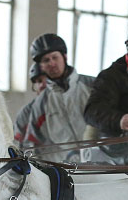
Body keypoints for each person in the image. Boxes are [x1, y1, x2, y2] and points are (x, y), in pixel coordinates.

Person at [20, 33, 95, 161]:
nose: (52, 63)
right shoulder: (41, 103)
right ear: (41, 66)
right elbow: (30, 143)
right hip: (64, 170)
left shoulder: (92, 86)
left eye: (55, 57)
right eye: (46, 60)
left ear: (64, 57)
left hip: (100, 167)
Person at [13, 62, 48, 147]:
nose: (43, 84)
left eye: (47, 80)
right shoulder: (26, 113)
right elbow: (16, 142)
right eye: (39, 81)